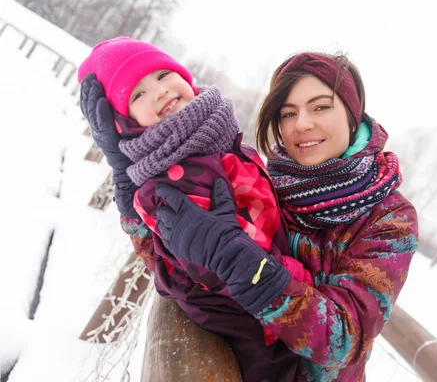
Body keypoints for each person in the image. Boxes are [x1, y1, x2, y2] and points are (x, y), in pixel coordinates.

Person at [85, 50, 419, 381]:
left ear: (352, 113)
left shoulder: (389, 217)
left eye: (321, 107)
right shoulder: (260, 175)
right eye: (288, 113)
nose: (303, 124)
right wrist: (130, 186)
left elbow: (343, 340)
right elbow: (175, 256)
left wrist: (246, 268)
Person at [77, 37, 307, 382]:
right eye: (137, 95)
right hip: (255, 336)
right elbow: (210, 270)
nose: (159, 92)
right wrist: (296, 276)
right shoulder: (167, 181)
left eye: (162, 75)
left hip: (277, 324)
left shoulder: (221, 141)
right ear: (125, 123)